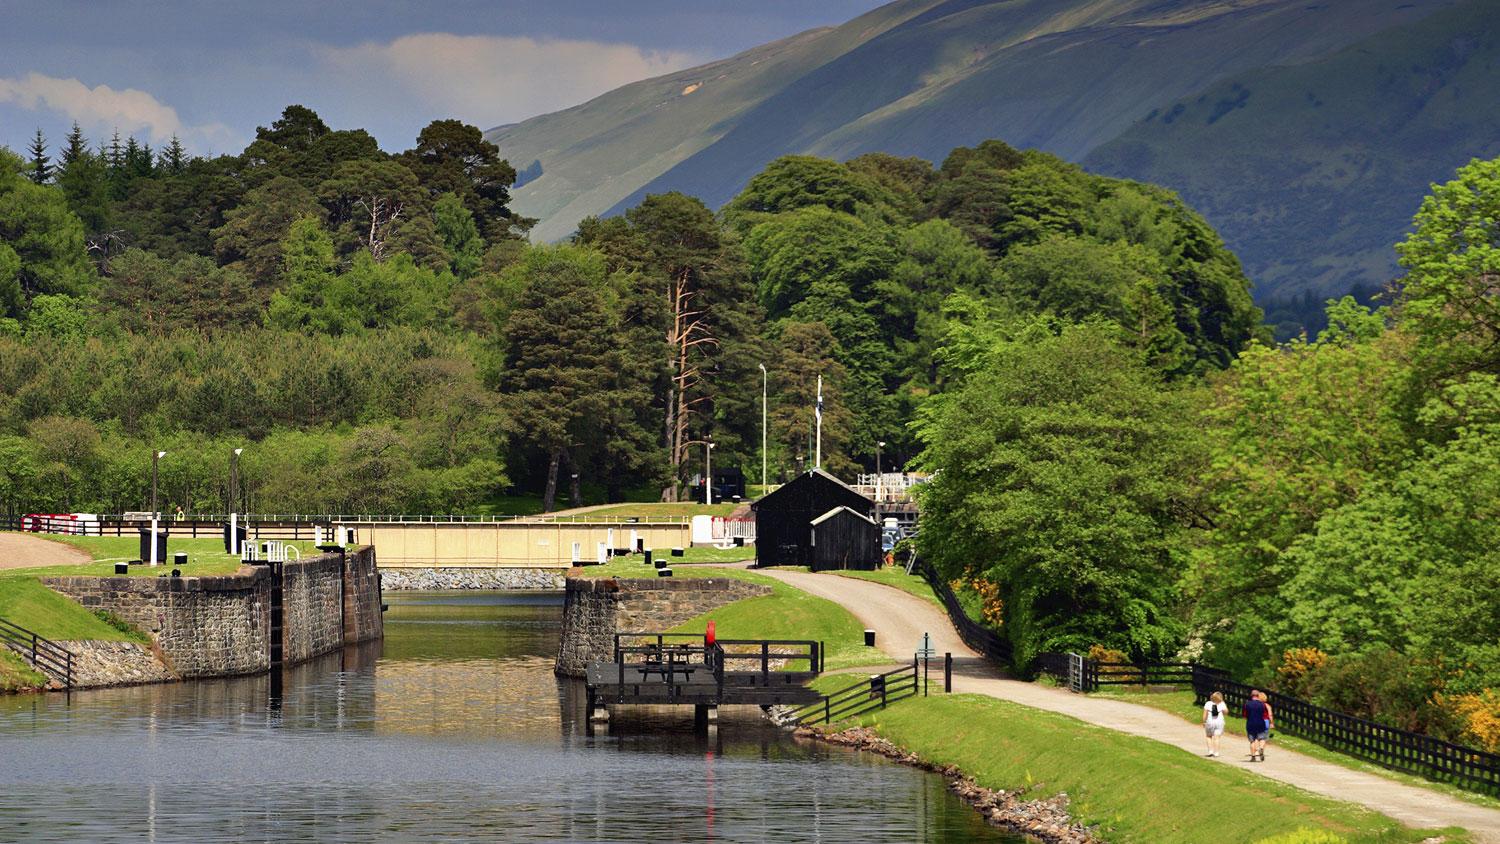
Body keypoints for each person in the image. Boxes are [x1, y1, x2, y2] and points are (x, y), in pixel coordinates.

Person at [1244, 689, 1274, 761]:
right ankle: (1261, 748)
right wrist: (1271, 723)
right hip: (1261, 723)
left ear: (1251, 695)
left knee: (1252, 741)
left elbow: (1245, 715)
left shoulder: (1247, 704)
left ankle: (1253, 756)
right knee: (1262, 738)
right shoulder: (1263, 705)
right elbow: (1267, 714)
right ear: (1258, 696)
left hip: (1251, 723)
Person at [1202, 691, 1227, 757]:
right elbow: (1226, 712)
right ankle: (1216, 752)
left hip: (1210, 722)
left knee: (1208, 736)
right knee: (1217, 738)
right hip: (1219, 722)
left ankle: (1210, 751)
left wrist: (1204, 721)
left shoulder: (1208, 703)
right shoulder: (1222, 703)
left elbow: (1205, 714)